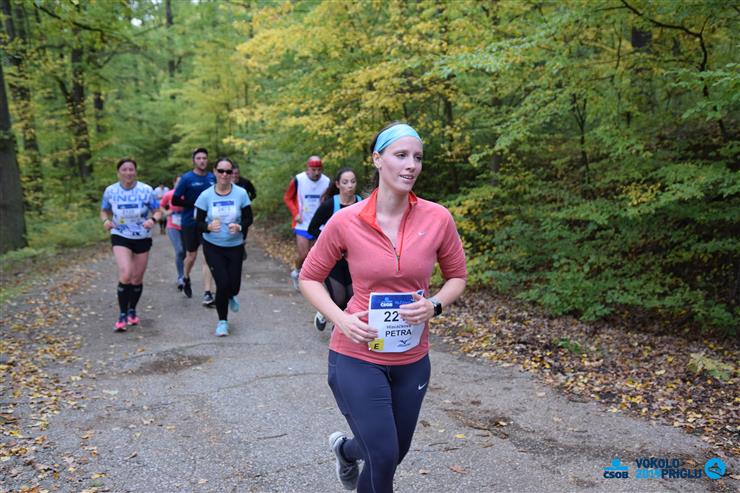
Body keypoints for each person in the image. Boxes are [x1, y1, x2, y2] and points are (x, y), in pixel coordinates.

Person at [299, 123, 467, 492]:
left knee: (393, 452)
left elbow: (457, 277)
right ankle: (353, 452)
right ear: (377, 159)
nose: (411, 165)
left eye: (417, 157)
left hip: (412, 358)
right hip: (357, 355)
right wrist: (342, 319)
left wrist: (434, 305)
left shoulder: (438, 218)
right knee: (383, 455)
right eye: (401, 155)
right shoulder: (346, 220)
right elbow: (309, 278)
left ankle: (345, 451)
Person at [100, 158, 162, 332]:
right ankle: (122, 314)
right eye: (124, 169)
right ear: (118, 172)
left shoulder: (146, 190)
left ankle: (132, 310)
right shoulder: (111, 191)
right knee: (126, 273)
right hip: (120, 235)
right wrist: (105, 221)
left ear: (135, 172)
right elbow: (104, 210)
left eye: (131, 169)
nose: (128, 172)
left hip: (142, 236)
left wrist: (152, 220)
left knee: (137, 278)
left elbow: (158, 211)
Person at [194, 158, 252, 336]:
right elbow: (197, 222)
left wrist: (240, 226)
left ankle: (230, 294)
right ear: (215, 172)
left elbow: (249, 218)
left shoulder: (241, 193)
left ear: (232, 173)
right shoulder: (206, 196)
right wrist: (208, 227)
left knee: (234, 286)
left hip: (235, 245)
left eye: (228, 171)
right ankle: (222, 322)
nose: (224, 175)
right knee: (222, 283)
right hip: (213, 246)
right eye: (221, 171)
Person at [307, 167, 362, 331]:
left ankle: (340, 331)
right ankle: (326, 313)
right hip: (333, 259)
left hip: (355, 260)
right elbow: (312, 229)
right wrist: (331, 240)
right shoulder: (330, 205)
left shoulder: (362, 203)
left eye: (353, 181)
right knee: (339, 297)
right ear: (338, 184)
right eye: (345, 182)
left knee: (352, 298)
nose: (350, 185)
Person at [172, 148, 217, 306]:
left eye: (204, 158)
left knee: (208, 256)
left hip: (207, 223)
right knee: (191, 256)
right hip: (190, 222)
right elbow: (175, 200)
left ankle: (207, 293)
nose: (202, 161)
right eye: (198, 158)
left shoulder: (212, 178)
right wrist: (195, 204)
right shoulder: (187, 178)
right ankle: (185, 277)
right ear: (193, 161)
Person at [283, 155, 330, 290]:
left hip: (319, 224)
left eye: (319, 170)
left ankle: (311, 281)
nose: (316, 173)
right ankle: (297, 271)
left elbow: (330, 200)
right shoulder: (298, 180)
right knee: (303, 254)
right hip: (302, 223)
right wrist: (295, 213)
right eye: (313, 170)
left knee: (315, 255)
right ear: (307, 168)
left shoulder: (327, 181)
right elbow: (287, 198)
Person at [159, 176, 186, 291]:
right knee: (179, 250)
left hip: (186, 226)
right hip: (172, 226)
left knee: (185, 252)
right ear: (174, 183)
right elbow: (160, 206)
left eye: (181, 182)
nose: (179, 184)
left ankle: (186, 274)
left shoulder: (187, 193)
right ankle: (181, 277)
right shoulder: (169, 194)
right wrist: (166, 212)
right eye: (178, 182)